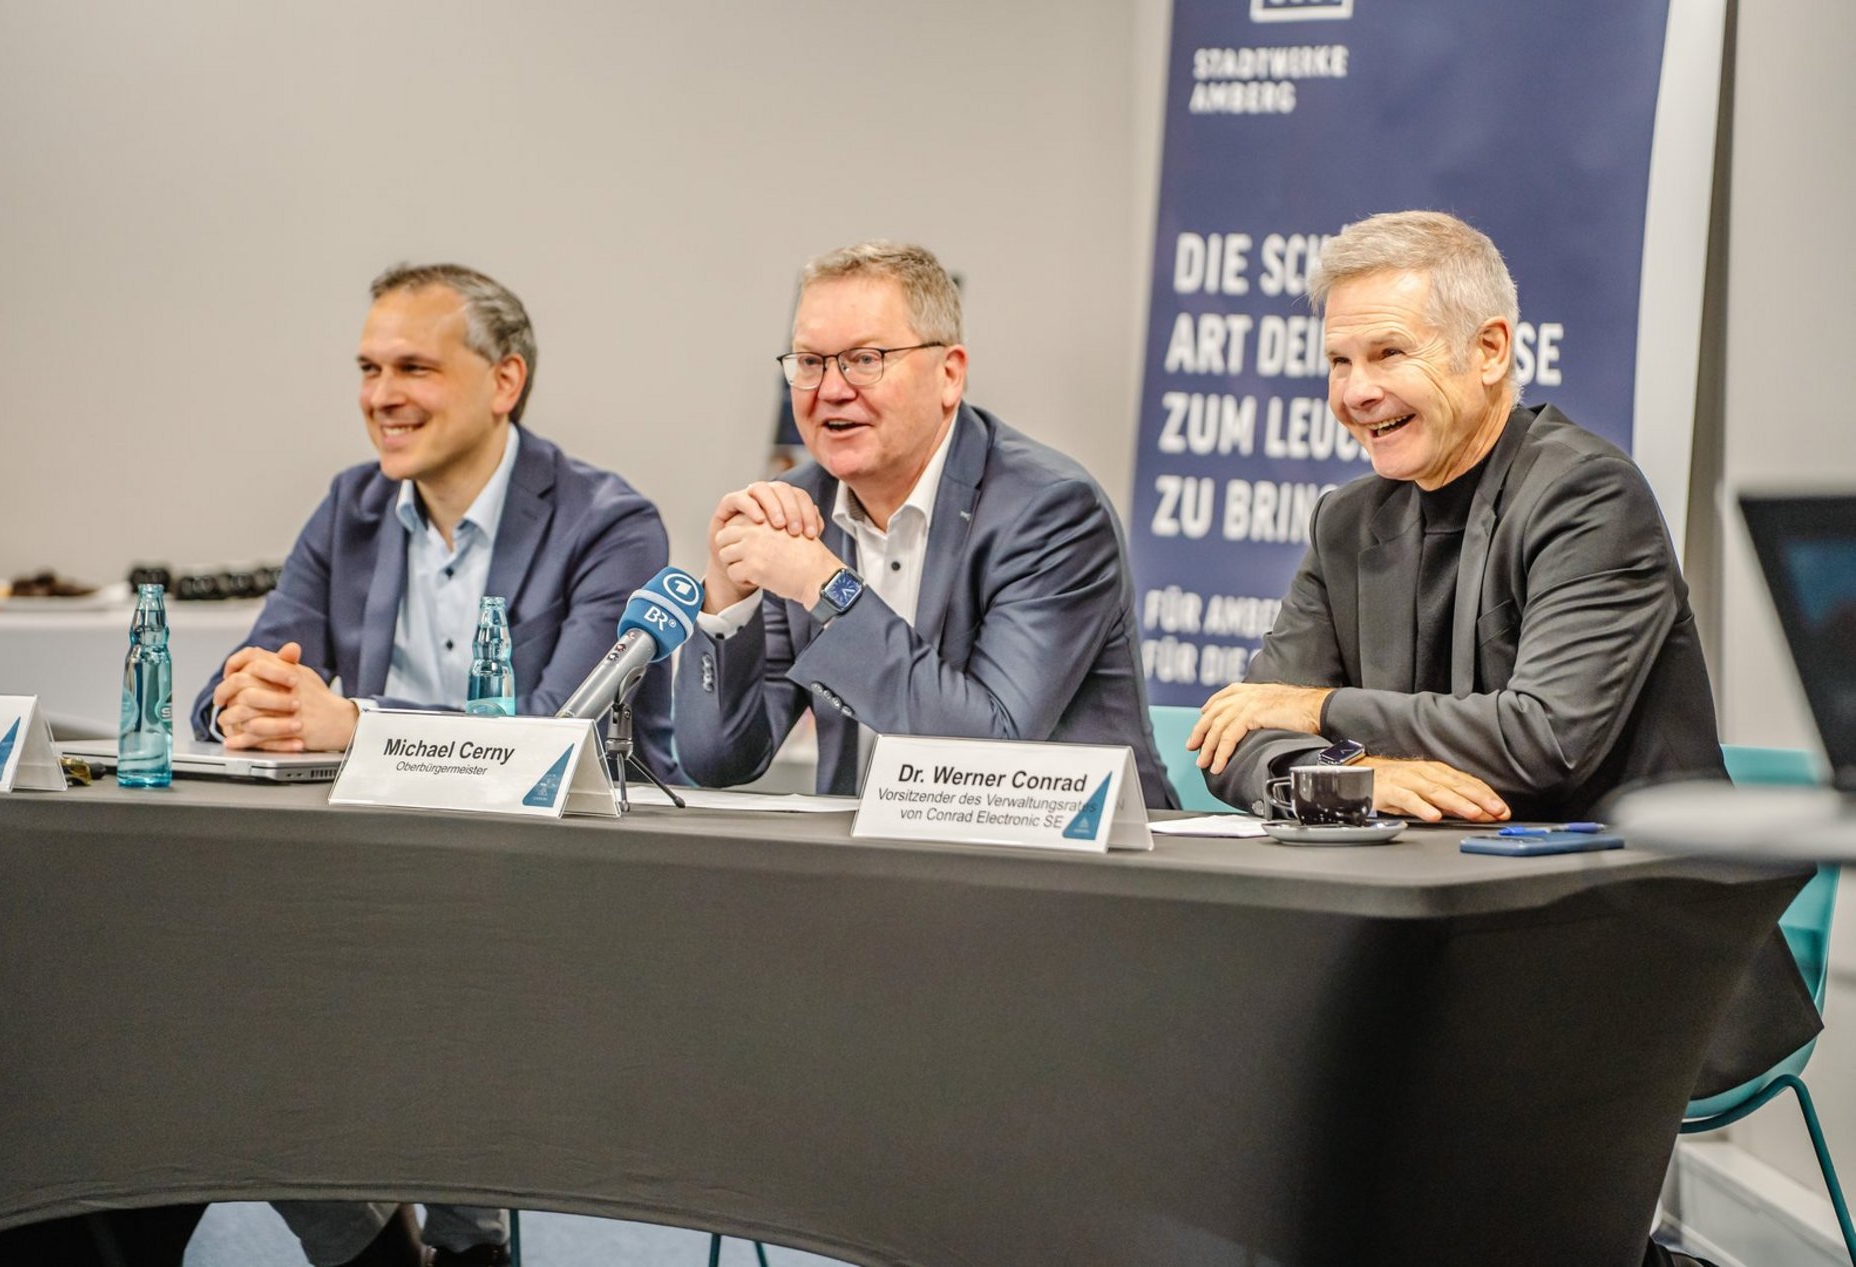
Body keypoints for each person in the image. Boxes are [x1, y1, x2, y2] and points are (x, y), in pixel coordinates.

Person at [1188, 210, 1819, 1267]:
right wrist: (1368, 778)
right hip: (1426, 927)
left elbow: (1543, 740)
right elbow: (1235, 744)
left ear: (1489, 352)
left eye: (1386, 352)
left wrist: (1324, 713)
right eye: (1338, 360)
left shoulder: (1586, 493)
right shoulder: (1346, 521)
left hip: (1623, 934)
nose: (1354, 391)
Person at [192, 262, 678, 1267]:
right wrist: (247, 700)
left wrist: (352, 723)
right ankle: (378, 1246)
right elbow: (236, 679)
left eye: (412, 365)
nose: (380, 396)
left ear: (504, 381)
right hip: (351, 881)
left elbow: (558, 740)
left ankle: (465, 1234)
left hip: (527, 895)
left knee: (352, 1026)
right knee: (206, 1023)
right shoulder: (350, 510)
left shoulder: (609, 523)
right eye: (367, 368)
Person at [673, 240, 1174, 808]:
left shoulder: (1052, 513)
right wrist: (726, 601)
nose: (832, 389)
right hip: (872, 873)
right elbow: (717, 762)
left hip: (1065, 874)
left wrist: (825, 586)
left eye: (865, 359)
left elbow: (986, 752)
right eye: (810, 363)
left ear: (949, 375)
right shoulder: (800, 506)